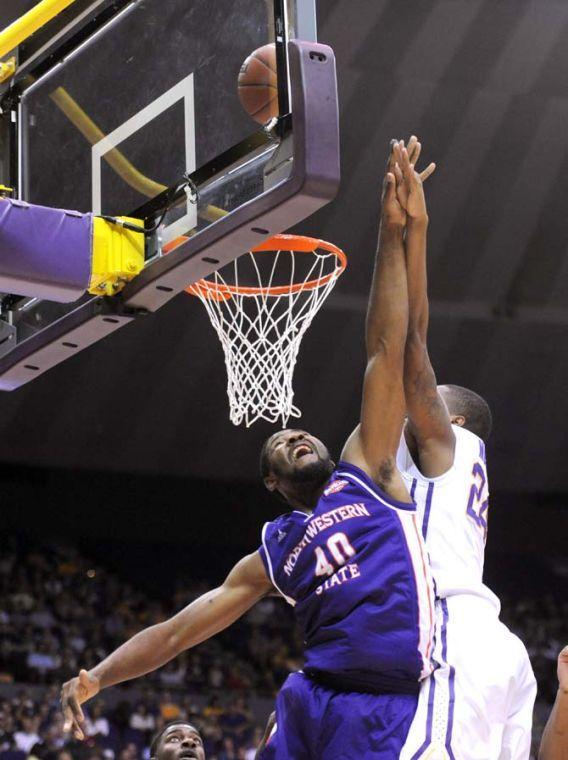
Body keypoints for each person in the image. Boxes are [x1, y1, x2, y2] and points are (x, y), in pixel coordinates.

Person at [60, 140, 436, 758]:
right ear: (271, 482)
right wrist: (98, 676)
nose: (296, 434)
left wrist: (392, 231)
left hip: (384, 699)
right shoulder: (276, 549)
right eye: (281, 443)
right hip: (309, 696)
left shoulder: (366, 468)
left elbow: (385, 351)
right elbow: (180, 631)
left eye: (301, 433)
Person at [388, 137, 537, 759]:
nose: (407, 408)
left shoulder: (447, 444)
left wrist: (410, 232)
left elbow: (410, 345)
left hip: (451, 629)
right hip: (493, 649)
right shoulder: (456, 467)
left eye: (424, 403)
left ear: (446, 417)